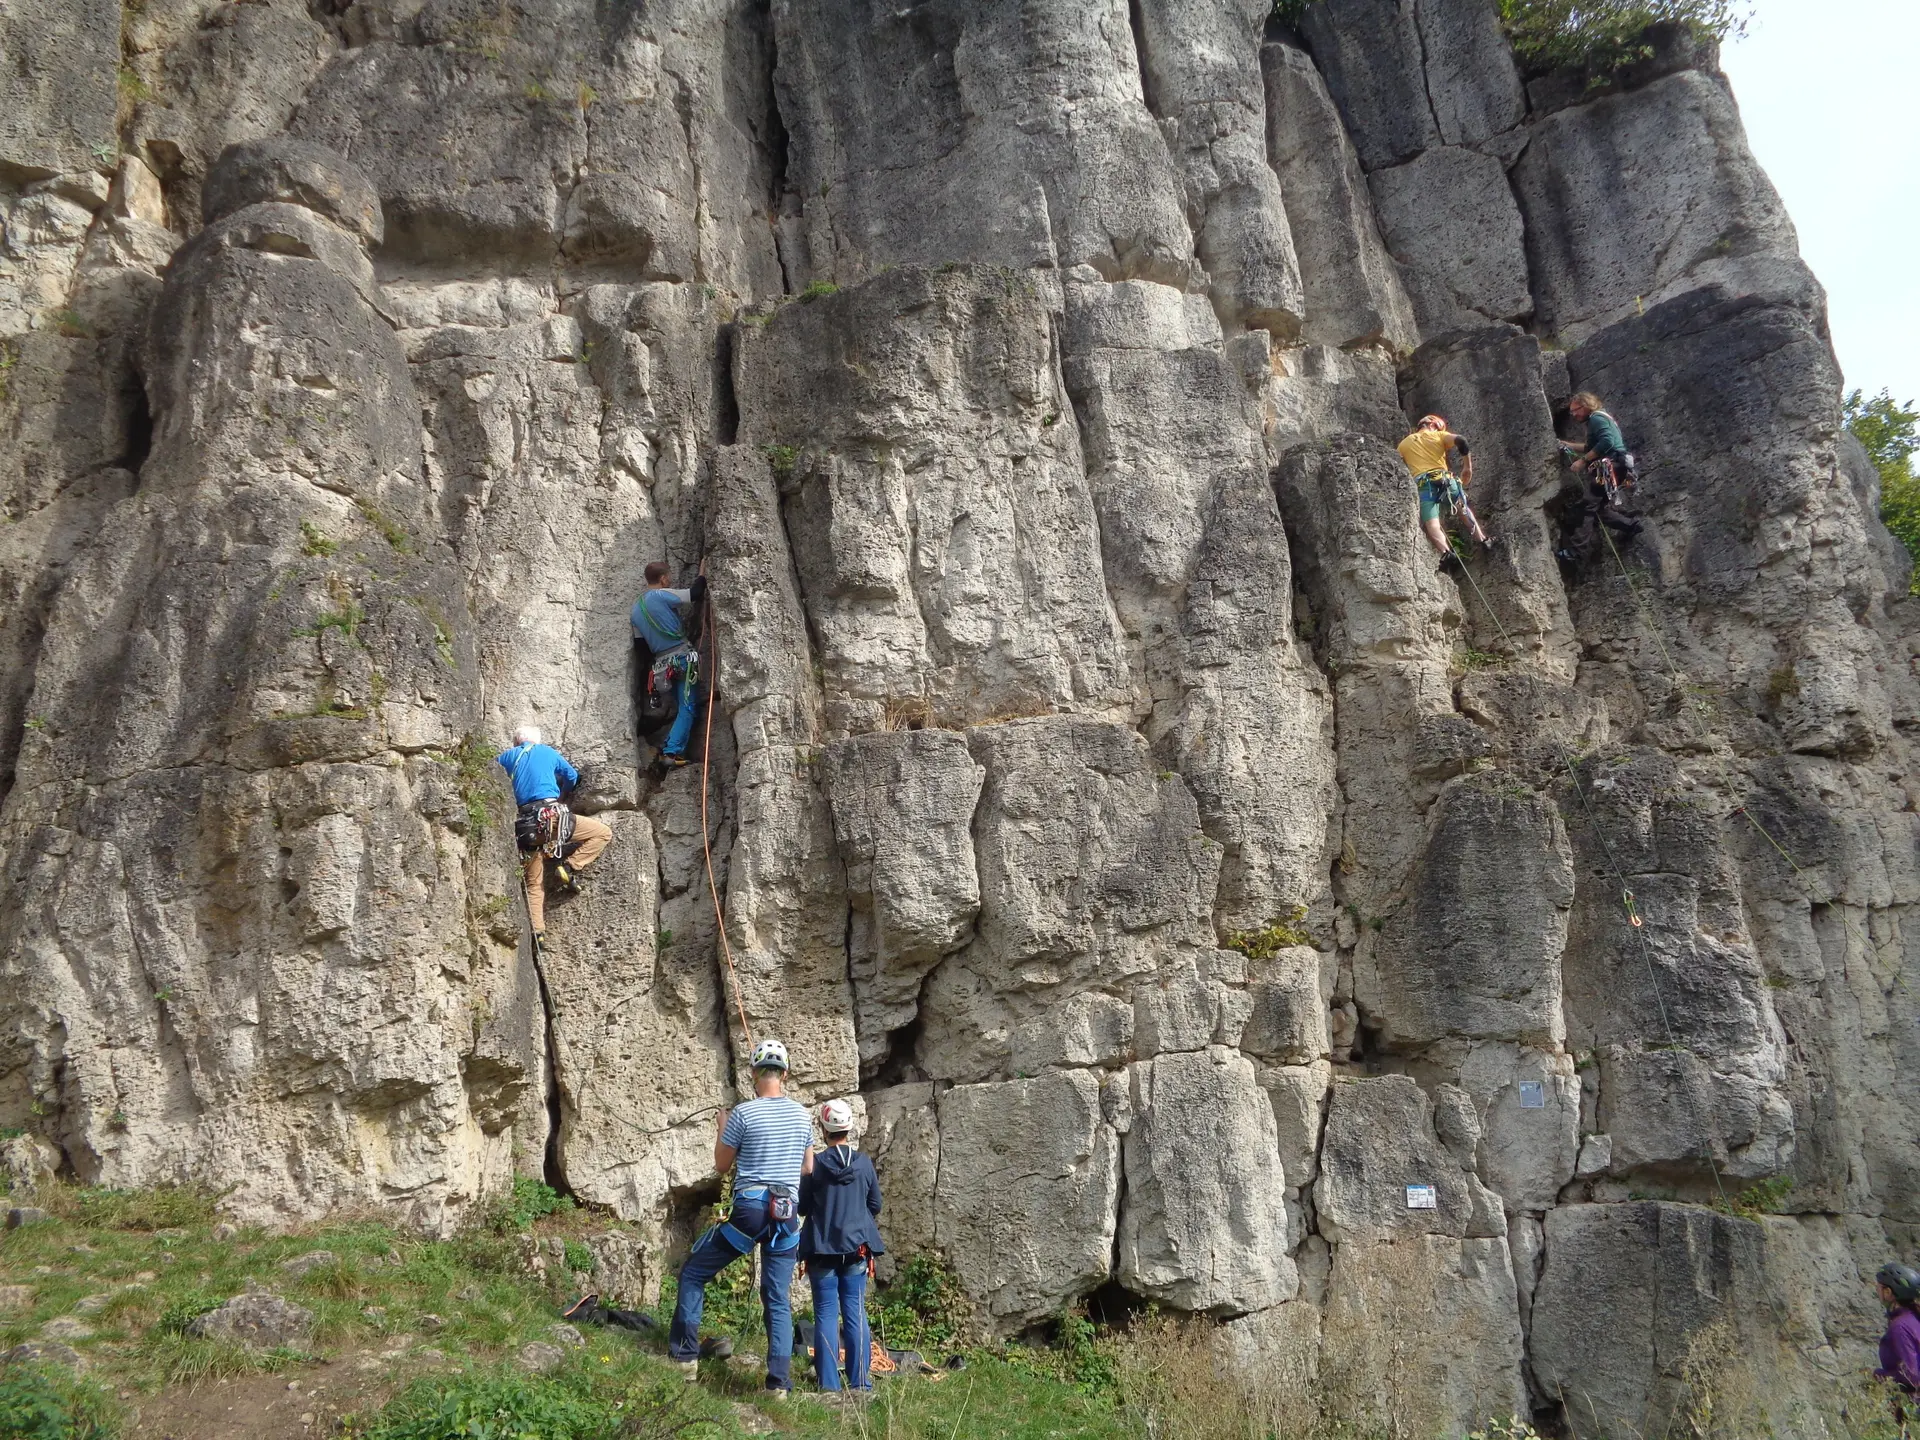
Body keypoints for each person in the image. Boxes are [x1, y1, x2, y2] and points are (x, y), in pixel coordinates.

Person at [669, 1039, 814, 1397]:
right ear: (785, 1073)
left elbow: (721, 1165)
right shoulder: (802, 1115)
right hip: (786, 1215)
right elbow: (808, 1167)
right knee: (776, 1296)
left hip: (749, 1209)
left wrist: (723, 1125)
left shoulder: (744, 1115)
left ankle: (685, 1358)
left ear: (753, 1074)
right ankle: (778, 1384)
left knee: (695, 1272)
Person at [798, 1099, 884, 1398]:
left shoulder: (816, 1166)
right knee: (855, 1312)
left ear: (824, 1129)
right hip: (856, 1249)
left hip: (822, 1249)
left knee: (825, 1313)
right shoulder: (863, 1163)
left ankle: (829, 1387)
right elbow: (876, 1204)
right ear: (849, 1127)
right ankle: (860, 1382)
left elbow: (804, 1206)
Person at [496, 725, 612, 938]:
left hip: (526, 826)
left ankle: (537, 934)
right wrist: (562, 792)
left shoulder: (505, 757)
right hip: (553, 818)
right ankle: (569, 866)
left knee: (533, 883)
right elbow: (572, 776)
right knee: (602, 833)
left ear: (516, 742)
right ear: (536, 741)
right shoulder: (547, 752)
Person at [631, 563, 709, 767]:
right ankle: (671, 752)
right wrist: (703, 570)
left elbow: (641, 646)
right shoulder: (661, 595)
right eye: (669, 577)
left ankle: (669, 747)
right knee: (688, 707)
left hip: (662, 666)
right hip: (682, 657)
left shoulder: (635, 609)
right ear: (663, 579)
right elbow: (695, 593)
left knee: (682, 706)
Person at [1396, 413, 1490, 572]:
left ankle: (1446, 552)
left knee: (1431, 523)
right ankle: (1483, 540)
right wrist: (1467, 467)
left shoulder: (1403, 444)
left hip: (1424, 486)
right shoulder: (1439, 435)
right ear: (1433, 425)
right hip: (1448, 483)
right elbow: (1462, 441)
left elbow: (1396, 464)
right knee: (1463, 509)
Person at [1557, 391, 1642, 561]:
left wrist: (1582, 462)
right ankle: (1631, 526)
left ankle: (1576, 551)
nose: (1573, 415)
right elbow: (1591, 446)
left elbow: (1607, 442)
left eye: (1576, 410)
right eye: (1571, 411)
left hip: (1609, 466)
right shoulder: (1599, 419)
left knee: (1588, 506)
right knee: (1598, 509)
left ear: (1586, 405)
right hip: (1615, 465)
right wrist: (1567, 445)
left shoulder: (1596, 418)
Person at [1876, 1262, 1920, 1416]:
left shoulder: (1900, 1327)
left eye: (1879, 1287)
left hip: (1913, 1409)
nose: (1876, 1290)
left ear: (1888, 1292)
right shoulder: (1914, 1319)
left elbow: (1912, 1376)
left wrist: (1878, 1375)